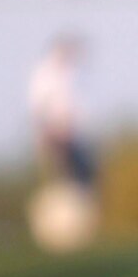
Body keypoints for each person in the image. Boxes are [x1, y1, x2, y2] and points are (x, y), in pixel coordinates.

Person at [28, 36, 96, 188]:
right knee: (61, 173)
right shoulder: (45, 73)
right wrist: (47, 131)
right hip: (55, 132)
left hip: (71, 133)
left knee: (83, 172)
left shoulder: (70, 73)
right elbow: (38, 107)